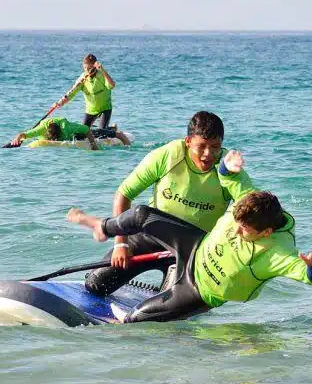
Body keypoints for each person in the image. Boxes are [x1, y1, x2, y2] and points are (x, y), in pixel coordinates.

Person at [67, 190, 312, 323]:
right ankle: (102, 225)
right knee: (142, 214)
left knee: (138, 319)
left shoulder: (278, 253)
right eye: (236, 222)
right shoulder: (251, 203)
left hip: (197, 290)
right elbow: (235, 180)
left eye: (244, 230)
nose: (236, 231)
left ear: (267, 232)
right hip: (193, 246)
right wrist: (227, 167)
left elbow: (308, 278)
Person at [107, 111, 255, 270]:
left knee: (176, 294)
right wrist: (120, 244)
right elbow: (123, 195)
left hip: (195, 250)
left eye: (215, 147)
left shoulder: (228, 167)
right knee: (96, 282)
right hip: (153, 235)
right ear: (188, 142)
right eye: (202, 146)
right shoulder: (167, 156)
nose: (208, 154)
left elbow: (253, 206)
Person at [54, 54, 116, 128]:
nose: (87, 70)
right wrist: (60, 103)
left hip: (105, 108)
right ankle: (100, 128)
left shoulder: (101, 75)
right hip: (90, 110)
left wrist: (102, 70)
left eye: (89, 68)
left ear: (95, 67)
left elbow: (112, 85)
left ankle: (112, 129)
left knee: (102, 132)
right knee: (82, 133)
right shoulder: (82, 78)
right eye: (85, 68)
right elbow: (72, 93)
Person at [10, 117, 131, 149]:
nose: (54, 141)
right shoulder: (40, 129)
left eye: (55, 139)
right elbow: (23, 134)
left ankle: (116, 133)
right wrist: (17, 139)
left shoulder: (66, 127)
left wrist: (94, 145)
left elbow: (86, 129)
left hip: (78, 132)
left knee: (92, 133)